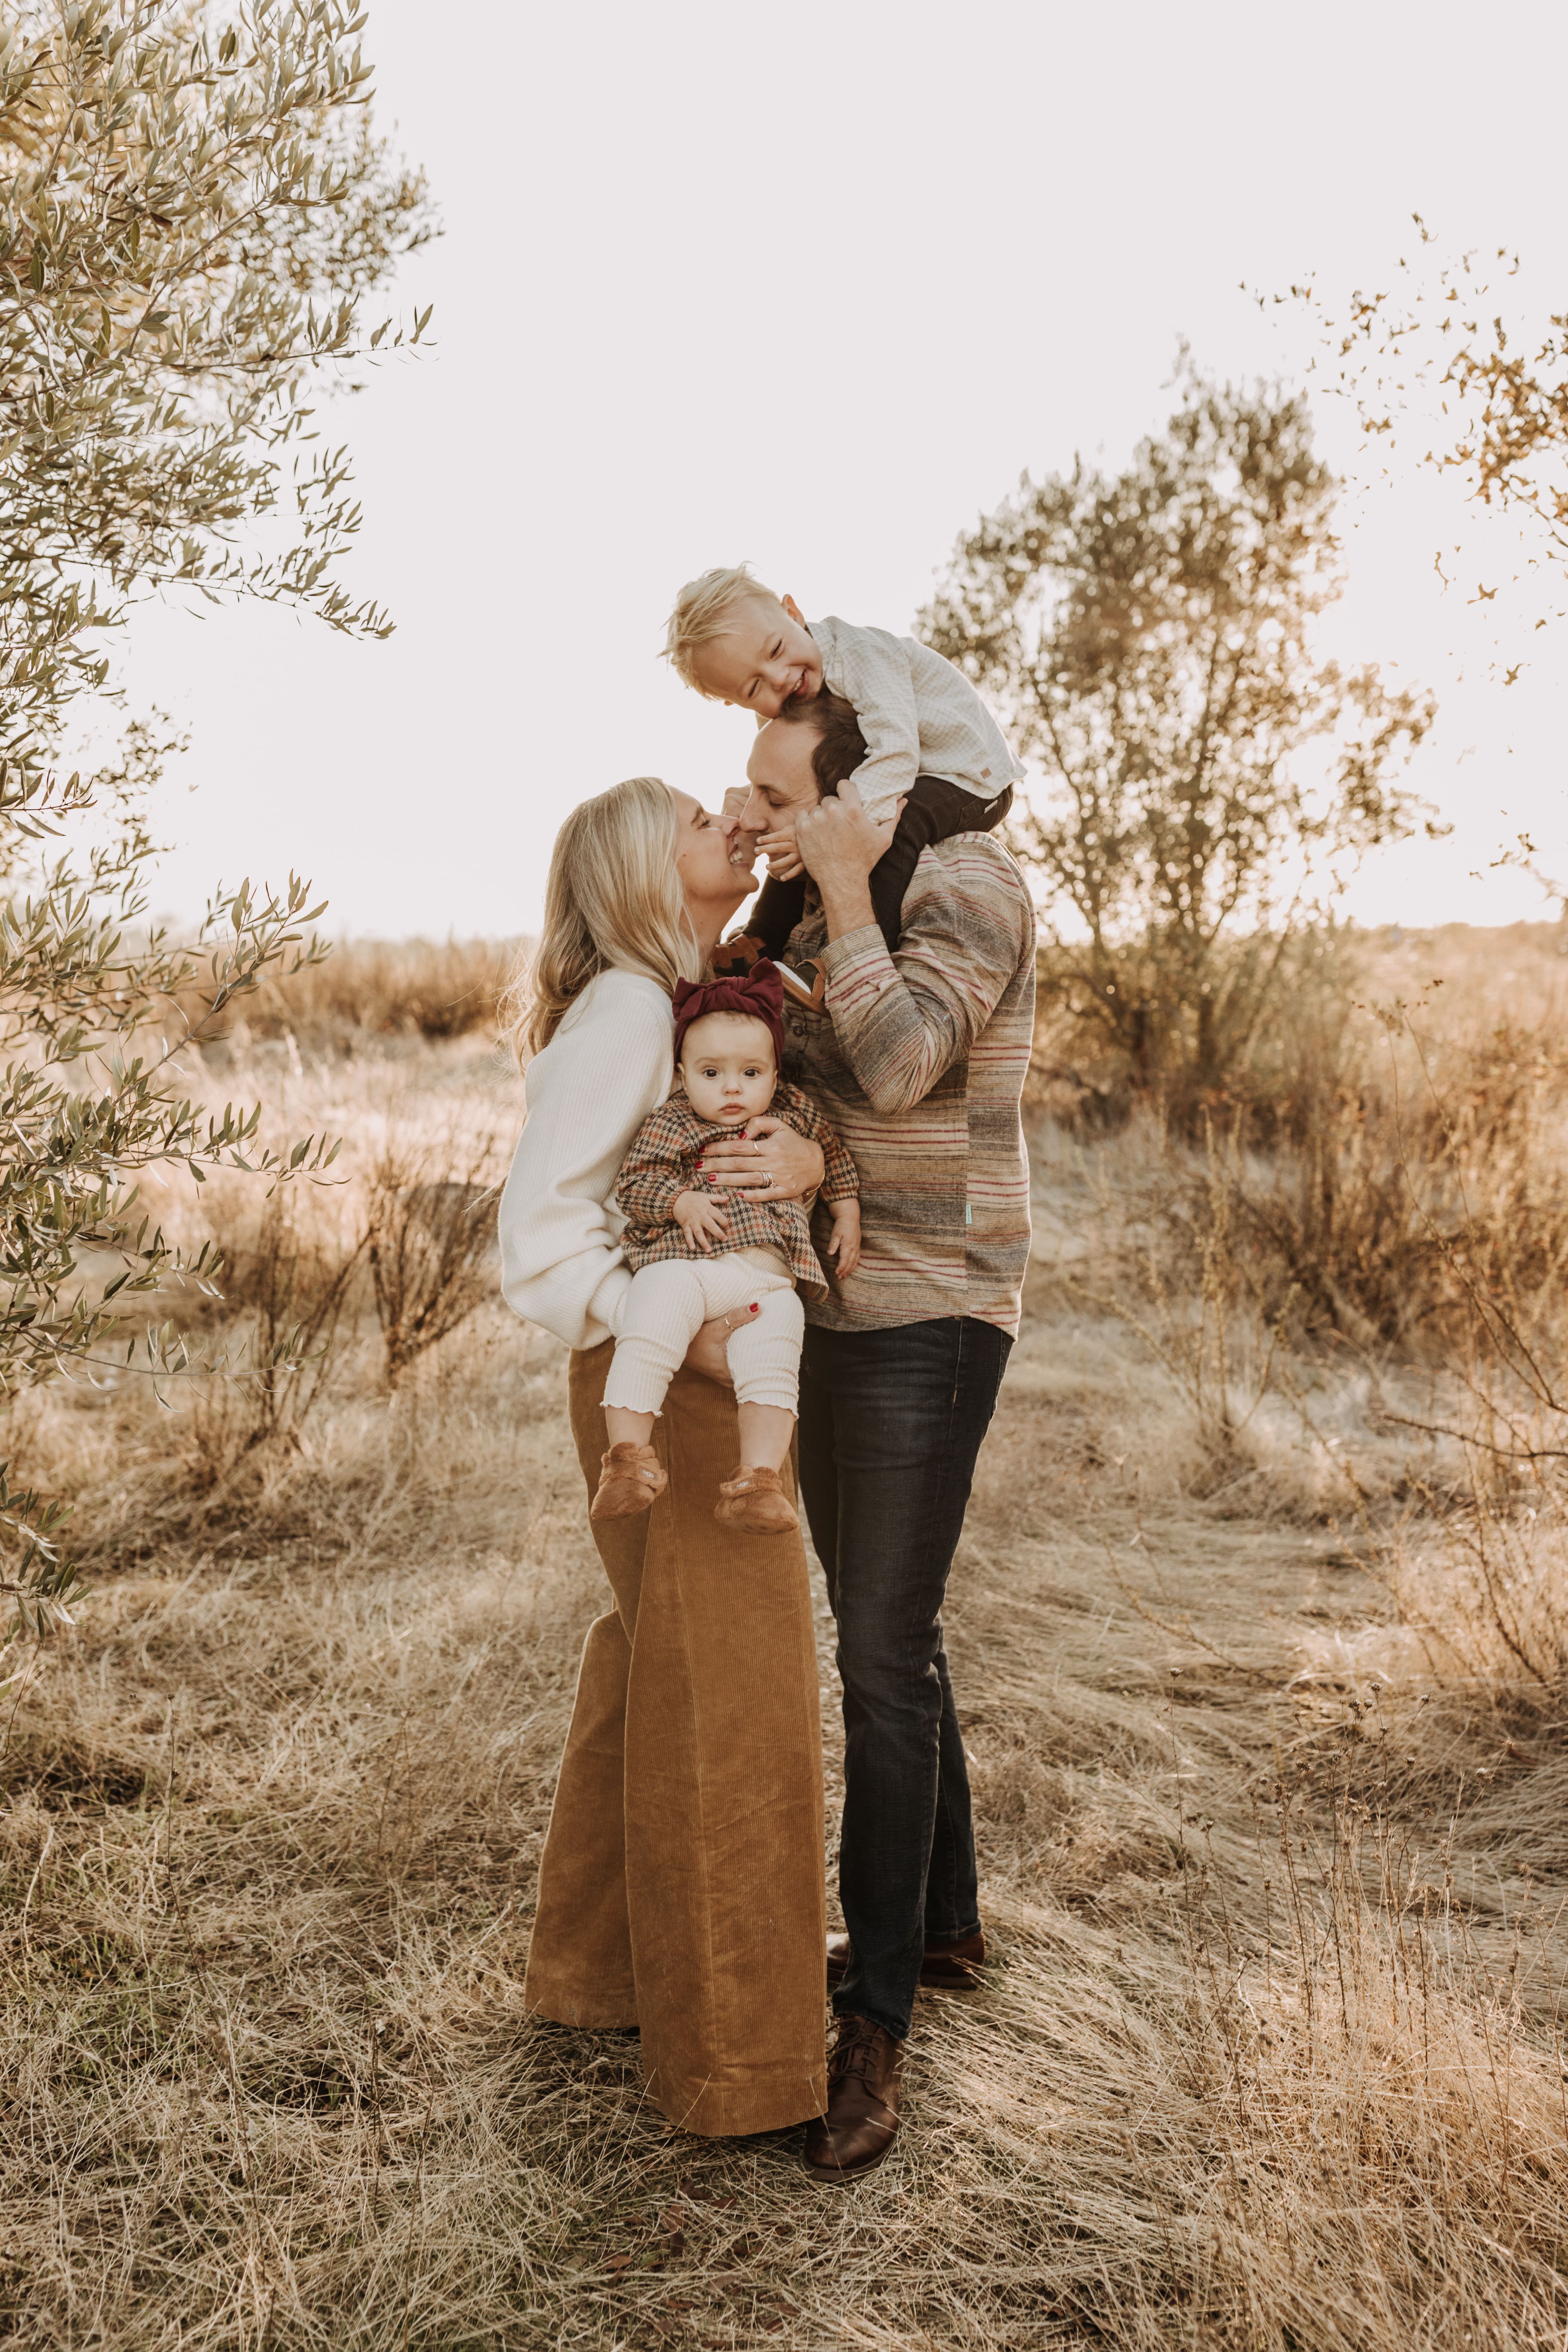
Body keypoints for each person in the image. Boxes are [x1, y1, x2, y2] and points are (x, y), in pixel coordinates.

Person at [495, 775, 830, 2138]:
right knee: (737, 1700)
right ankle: (740, 2073)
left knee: (656, 1665)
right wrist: (683, 1343)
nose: (730, 826)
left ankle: (595, 1975)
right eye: (701, 820)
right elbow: (541, 1236)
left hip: (690, 1362)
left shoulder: (703, 1003)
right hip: (672, 1382)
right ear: (643, 872)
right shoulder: (633, 1008)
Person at [735, 696, 1037, 2184]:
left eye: (782, 794)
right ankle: (946, 1919)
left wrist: (843, 888)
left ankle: (873, 2016)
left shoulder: (970, 883)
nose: (767, 820)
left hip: (933, 1303)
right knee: (881, 1626)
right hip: (823, 1304)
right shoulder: (790, 902)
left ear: (861, 791)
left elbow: (905, 1057)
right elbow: (778, 1071)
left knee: (874, 1650)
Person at [596, 959, 860, 1535]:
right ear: (684, 1074)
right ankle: (627, 1459)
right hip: (689, 1267)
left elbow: (834, 1155)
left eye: (750, 1072)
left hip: (769, 1280)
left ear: (774, 1073)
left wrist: (847, 1209)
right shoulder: (673, 1122)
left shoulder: (795, 1114)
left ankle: (759, 1481)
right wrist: (677, 1202)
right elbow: (633, 1183)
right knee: (650, 1326)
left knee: (776, 1361)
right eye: (712, 1073)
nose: (732, 1087)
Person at [663, 562, 1024, 959]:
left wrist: (826, 835)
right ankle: (760, 940)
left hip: (971, 775)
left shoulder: (861, 655)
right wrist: (767, 821)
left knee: (895, 829)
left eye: (777, 650)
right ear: (736, 700)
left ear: (793, 614)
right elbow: (793, 790)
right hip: (904, 769)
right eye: (754, 686)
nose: (779, 677)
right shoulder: (782, 704)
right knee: (798, 826)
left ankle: (864, 953)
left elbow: (896, 751)